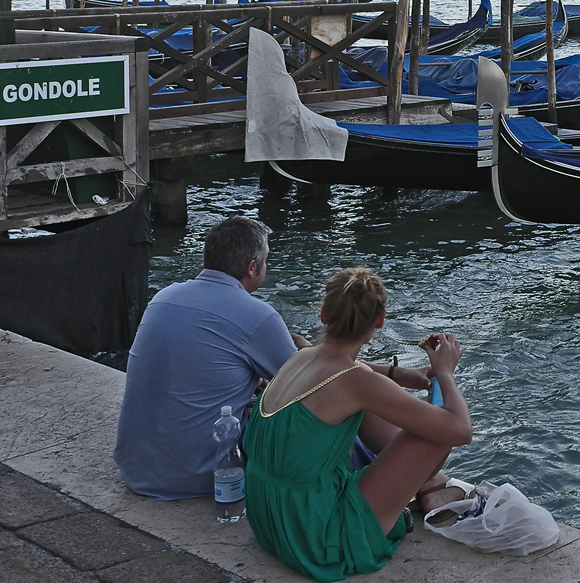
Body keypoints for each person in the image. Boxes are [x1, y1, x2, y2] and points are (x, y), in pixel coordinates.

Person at [244, 267, 472, 582]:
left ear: (323, 314)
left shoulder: (300, 357)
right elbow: (460, 430)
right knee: (436, 432)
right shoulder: (355, 382)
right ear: (379, 320)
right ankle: (429, 487)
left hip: (269, 517)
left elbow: (346, 370)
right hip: (318, 537)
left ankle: (426, 487)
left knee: (374, 406)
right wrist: (444, 372)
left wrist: (400, 375)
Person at [114, 216, 315, 499]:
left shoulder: (163, 297)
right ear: (252, 268)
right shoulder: (258, 315)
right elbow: (310, 386)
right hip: (203, 477)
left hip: (137, 470)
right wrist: (308, 351)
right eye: (266, 261)